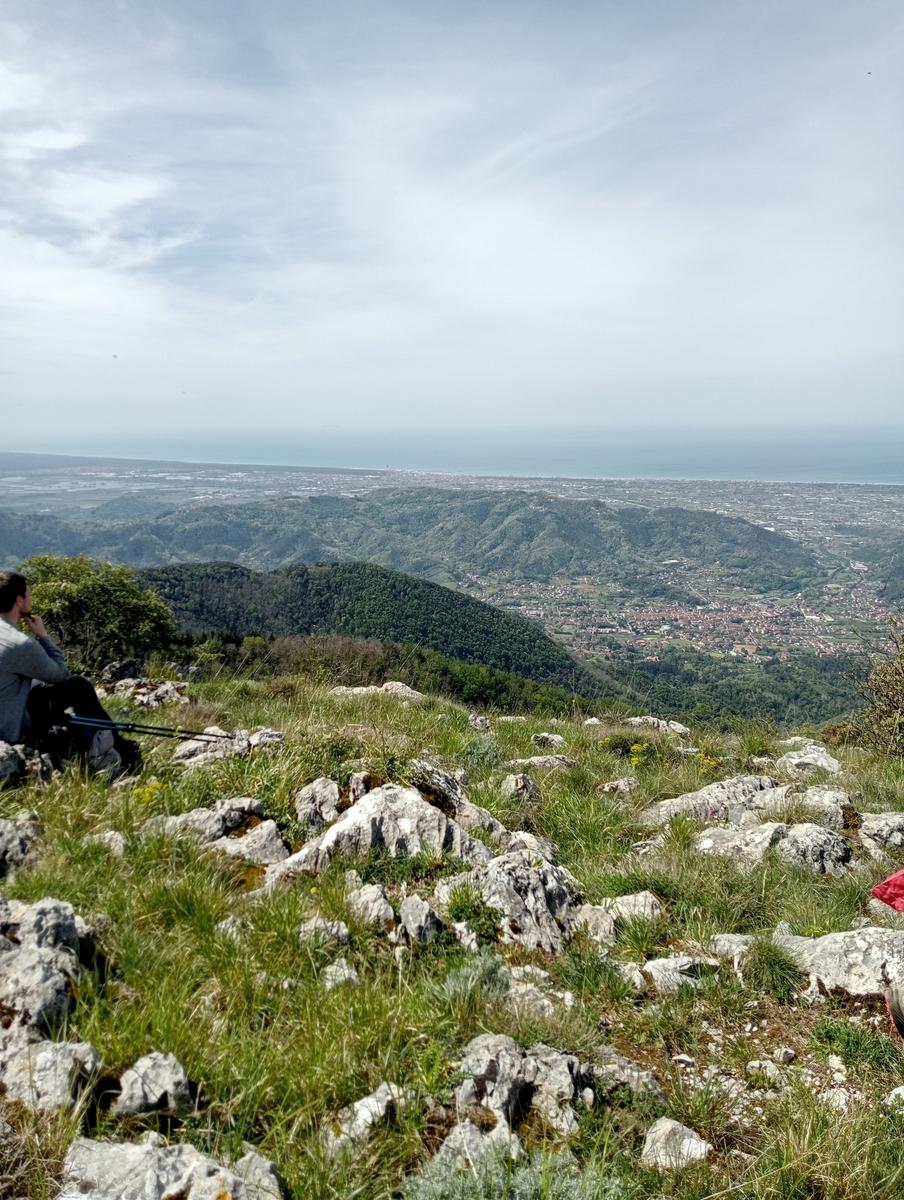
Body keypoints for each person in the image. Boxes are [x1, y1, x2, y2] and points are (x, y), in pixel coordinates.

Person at [0, 570, 137, 773]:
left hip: (13, 703)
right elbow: (60, 674)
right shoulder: (19, 644)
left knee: (71, 689)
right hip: (11, 726)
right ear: (19, 601)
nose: (31, 597)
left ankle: (115, 742)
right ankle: (119, 749)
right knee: (78, 686)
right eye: (29, 593)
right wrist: (44, 636)